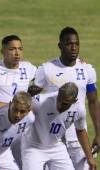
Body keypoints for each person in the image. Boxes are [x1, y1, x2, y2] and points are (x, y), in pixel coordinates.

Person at [32, 26, 100, 169]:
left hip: (78, 137)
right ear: (60, 46)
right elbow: (32, 101)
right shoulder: (46, 69)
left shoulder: (87, 69)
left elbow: (93, 101)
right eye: (69, 44)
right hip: (52, 139)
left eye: (76, 44)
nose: (74, 47)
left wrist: (98, 133)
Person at [22, 82, 97, 170]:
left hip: (56, 146)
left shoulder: (79, 110)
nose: (60, 105)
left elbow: (80, 131)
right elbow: (18, 107)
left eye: (65, 103)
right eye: (59, 100)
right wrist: (28, 94)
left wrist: (90, 157)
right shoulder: (41, 101)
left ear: (74, 101)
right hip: (33, 147)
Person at [0, 35, 36, 109]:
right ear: (2, 51)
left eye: (20, 49)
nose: (17, 53)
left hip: (19, 115)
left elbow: (44, 77)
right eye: (12, 49)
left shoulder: (28, 68)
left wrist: (29, 95)